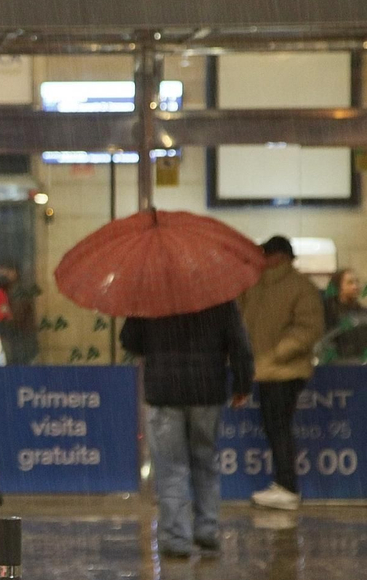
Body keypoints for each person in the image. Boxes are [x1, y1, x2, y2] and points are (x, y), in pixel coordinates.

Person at [121, 303, 254, 558]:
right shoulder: (218, 299)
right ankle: (207, 528)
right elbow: (239, 343)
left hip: (164, 391)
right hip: (207, 390)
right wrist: (242, 384)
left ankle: (176, 536)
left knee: (171, 468)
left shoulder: (151, 296)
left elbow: (130, 341)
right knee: (204, 462)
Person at [239, 236, 326, 512]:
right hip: (266, 369)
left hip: (286, 370)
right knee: (274, 427)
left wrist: (277, 352)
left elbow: (309, 328)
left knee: (279, 427)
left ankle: (288, 487)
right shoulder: (255, 286)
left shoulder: (300, 287)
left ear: (280, 257)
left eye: (267, 253)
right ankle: (283, 483)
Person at [320, 268, 367, 365]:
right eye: (350, 283)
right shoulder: (329, 314)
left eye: (357, 282)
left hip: (366, 370)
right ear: (339, 287)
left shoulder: (365, 313)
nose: (355, 286)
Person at [0, 263, 40, 365]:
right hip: (13, 340)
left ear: (15, 273)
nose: (3, 275)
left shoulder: (18, 291)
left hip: (19, 341)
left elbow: (16, 318)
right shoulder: (2, 291)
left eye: (7, 272)